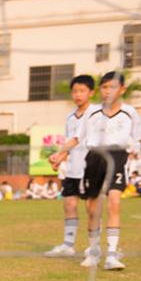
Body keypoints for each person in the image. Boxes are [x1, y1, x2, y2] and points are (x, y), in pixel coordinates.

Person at [80, 71, 141, 271]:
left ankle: (111, 254)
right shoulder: (91, 112)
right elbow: (77, 138)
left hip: (118, 157)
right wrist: (60, 154)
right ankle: (93, 251)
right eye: (104, 87)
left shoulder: (130, 112)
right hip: (94, 157)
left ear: (122, 89)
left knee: (114, 202)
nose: (108, 91)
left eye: (112, 87)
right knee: (92, 208)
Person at [44, 74, 95, 258]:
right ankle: (68, 244)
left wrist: (58, 154)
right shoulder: (70, 118)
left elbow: (76, 140)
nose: (78, 95)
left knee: (91, 207)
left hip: (90, 168)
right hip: (73, 168)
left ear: (91, 92)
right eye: (75, 91)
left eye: (82, 91)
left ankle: (93, 246)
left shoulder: (95, 113)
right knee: (69, 204)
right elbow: (70, 143)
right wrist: (60, 159)